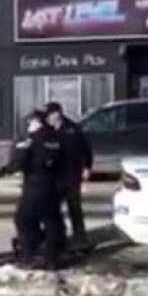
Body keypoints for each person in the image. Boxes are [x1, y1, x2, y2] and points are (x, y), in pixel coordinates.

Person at [0, 110, 66, 270]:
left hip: (34, 188)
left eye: (30, 123)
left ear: (36, 122)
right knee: (52, 222)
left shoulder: (30, 141)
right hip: (54, 188)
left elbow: (17, 163)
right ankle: (52, 258)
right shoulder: (58, 138)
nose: (28, 126)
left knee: (24, 220)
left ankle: (29, 254)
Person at [44, 101, 93, 252]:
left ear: (57, 114)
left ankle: (80, 238)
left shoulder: (72, 128)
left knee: (74, 207)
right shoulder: (47, 129)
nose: (49, 118)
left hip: (72, 174)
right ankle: (59, 238)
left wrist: (87, 167)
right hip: (54, 175)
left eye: (51, 115)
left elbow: (86, 149)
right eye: (47, 116)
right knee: (53, 208)